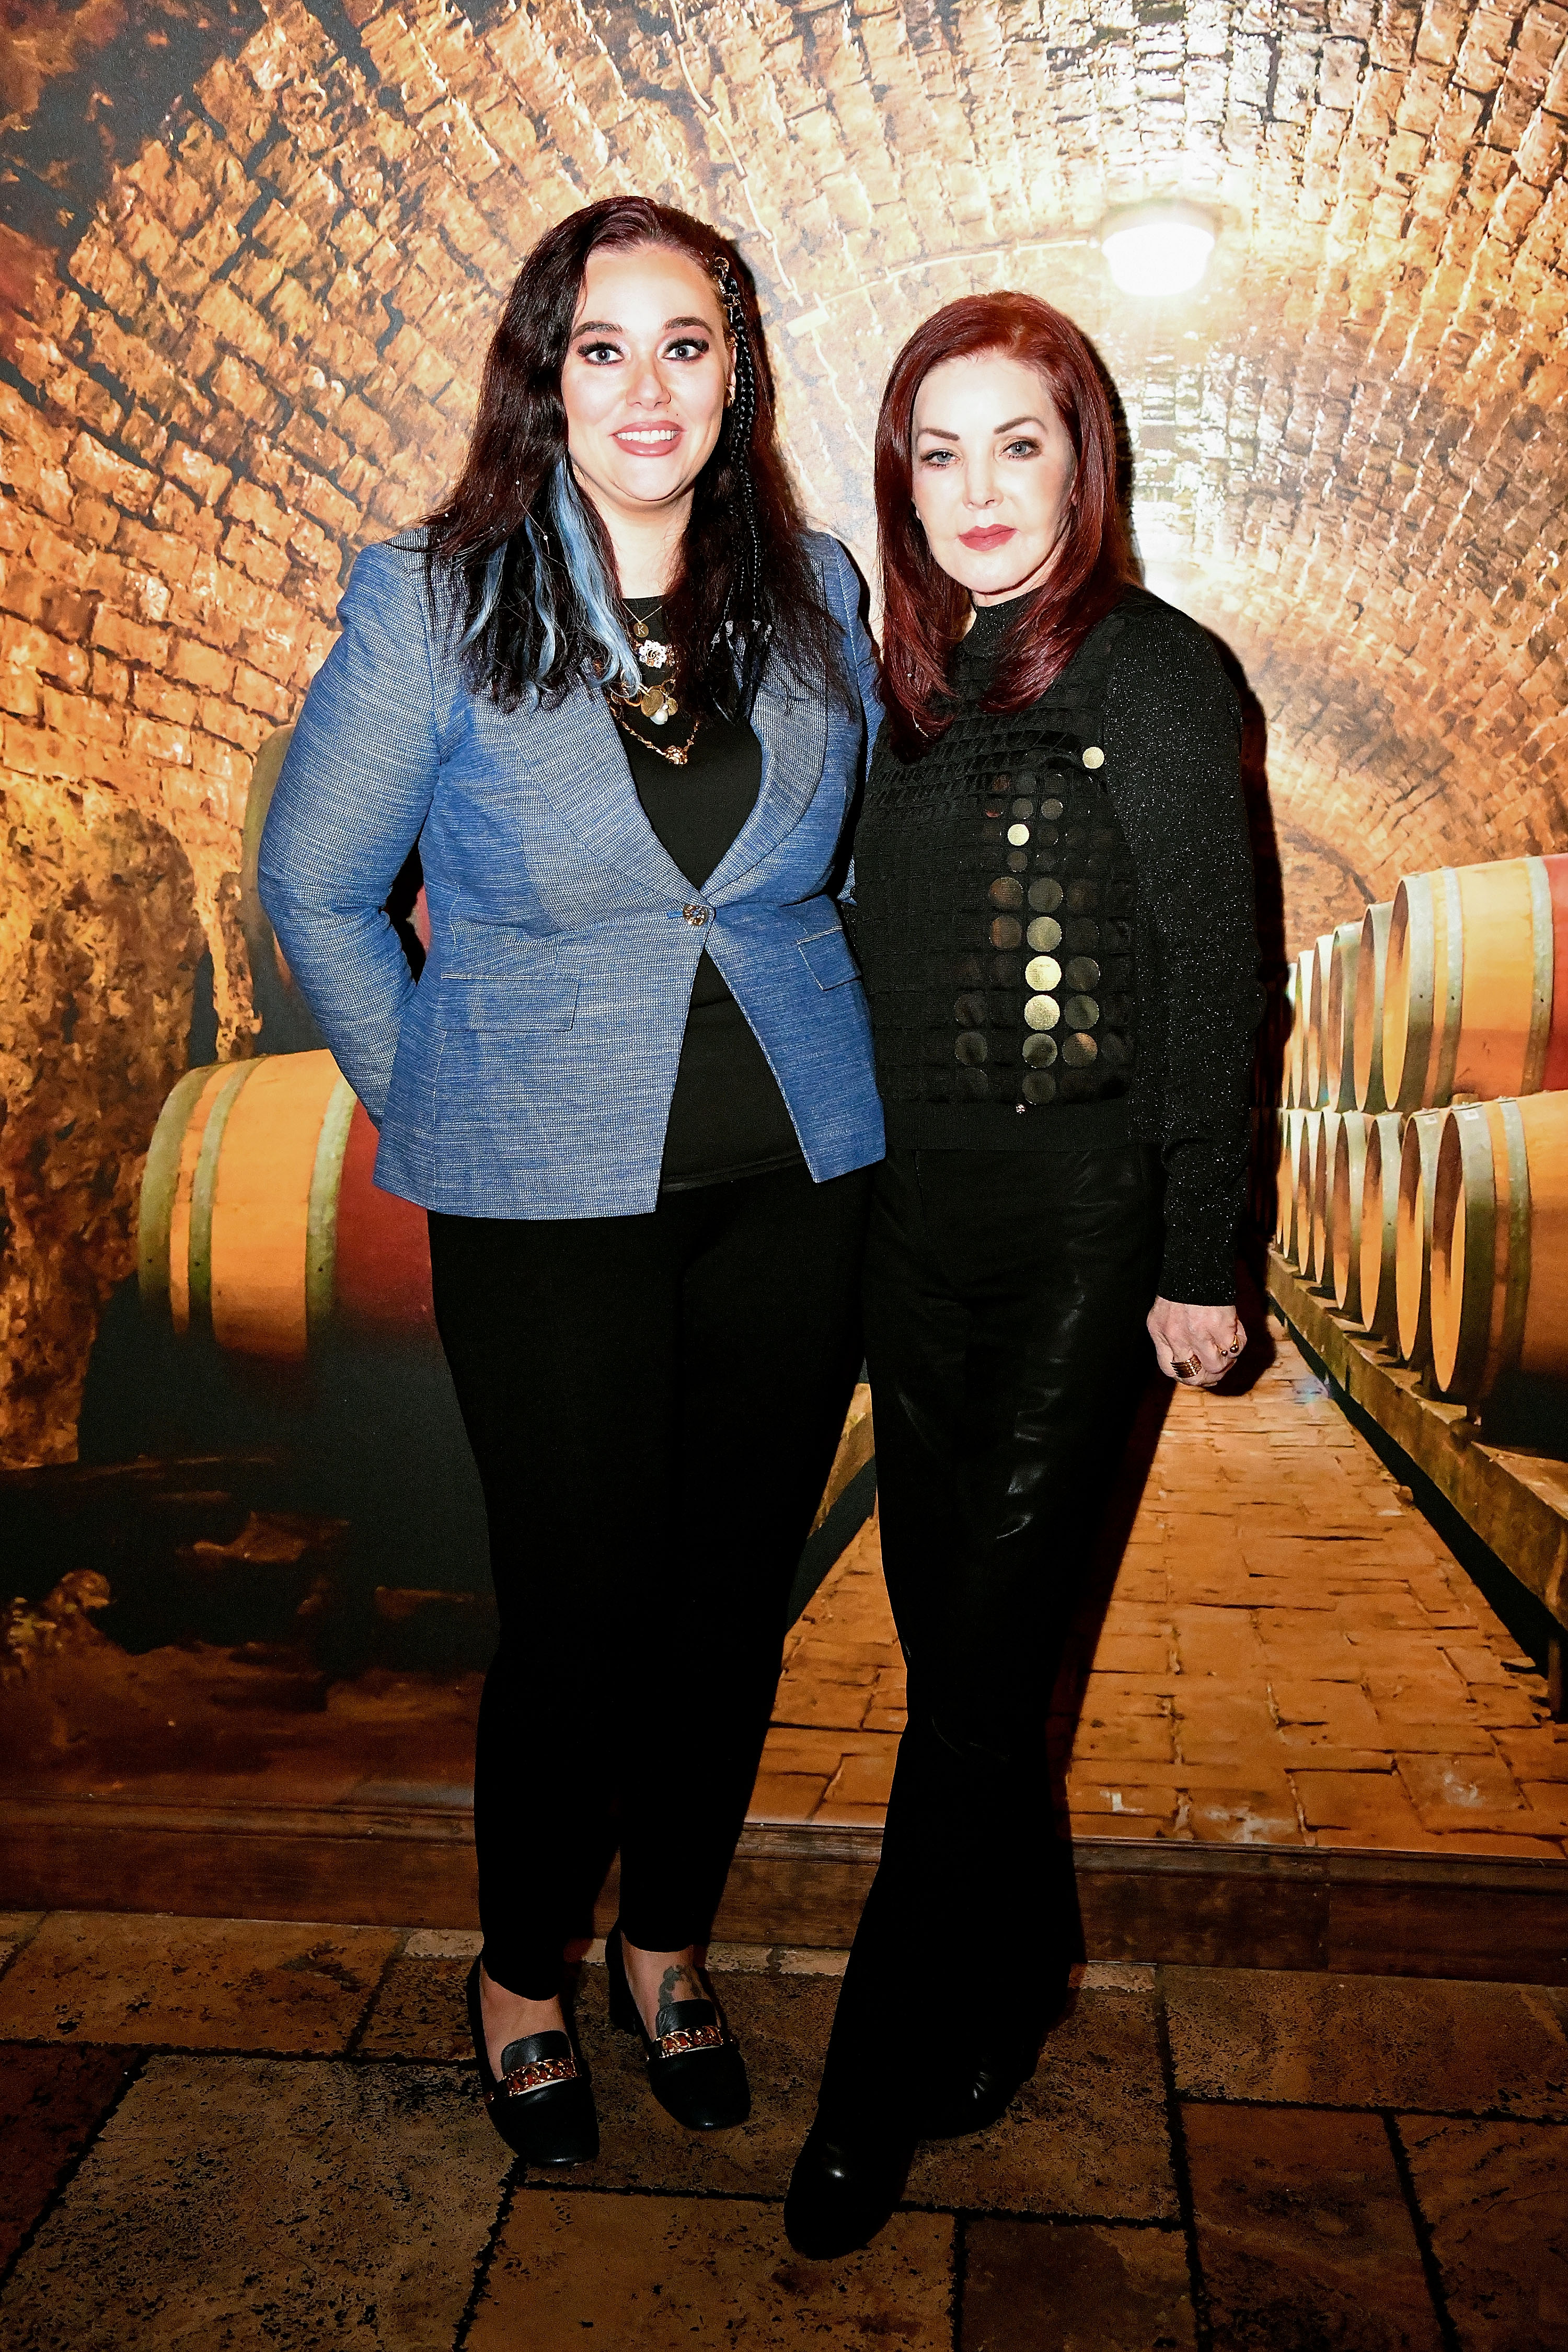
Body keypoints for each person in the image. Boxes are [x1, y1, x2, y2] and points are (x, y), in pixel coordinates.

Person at [260, 197, 883, 2167]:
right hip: (544, 1201)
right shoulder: (432, 599)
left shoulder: (818, 596)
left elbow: (832, 873)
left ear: (737, 372)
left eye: (683, 343)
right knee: (581, 1610)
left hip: (795, 1179)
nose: (646, 385)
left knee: (730, 1605)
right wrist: (431, 1090)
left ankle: (669, 1943)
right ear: (547, 374)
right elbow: (317, 887)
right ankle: (524, 1966)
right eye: (599, 347)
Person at [785, 292, 1261, 2257]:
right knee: (965, 1645)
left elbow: (1226, 976)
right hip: (918, 1231)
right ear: (905, 481)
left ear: (1087, 460)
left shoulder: (1155, 675)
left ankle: (874, 2074)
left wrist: (1201, 1253)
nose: (979, 490)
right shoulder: (896, 698)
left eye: (1020, 445)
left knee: (972, 1683)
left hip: (1082, 1240)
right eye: (938, 451)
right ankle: (1031, 1954)